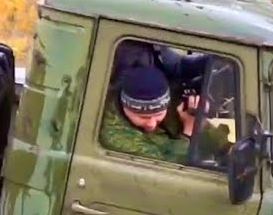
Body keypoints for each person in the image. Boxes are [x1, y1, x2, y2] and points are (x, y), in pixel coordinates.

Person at [99, 65, 231, 165]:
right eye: (142, 117)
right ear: (125, 106)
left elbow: (198, 124)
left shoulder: (171, 103)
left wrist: (227, 148)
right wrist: (189, 132)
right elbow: (167, 166)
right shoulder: (113, 133)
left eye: (158, 115)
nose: (151, 123)